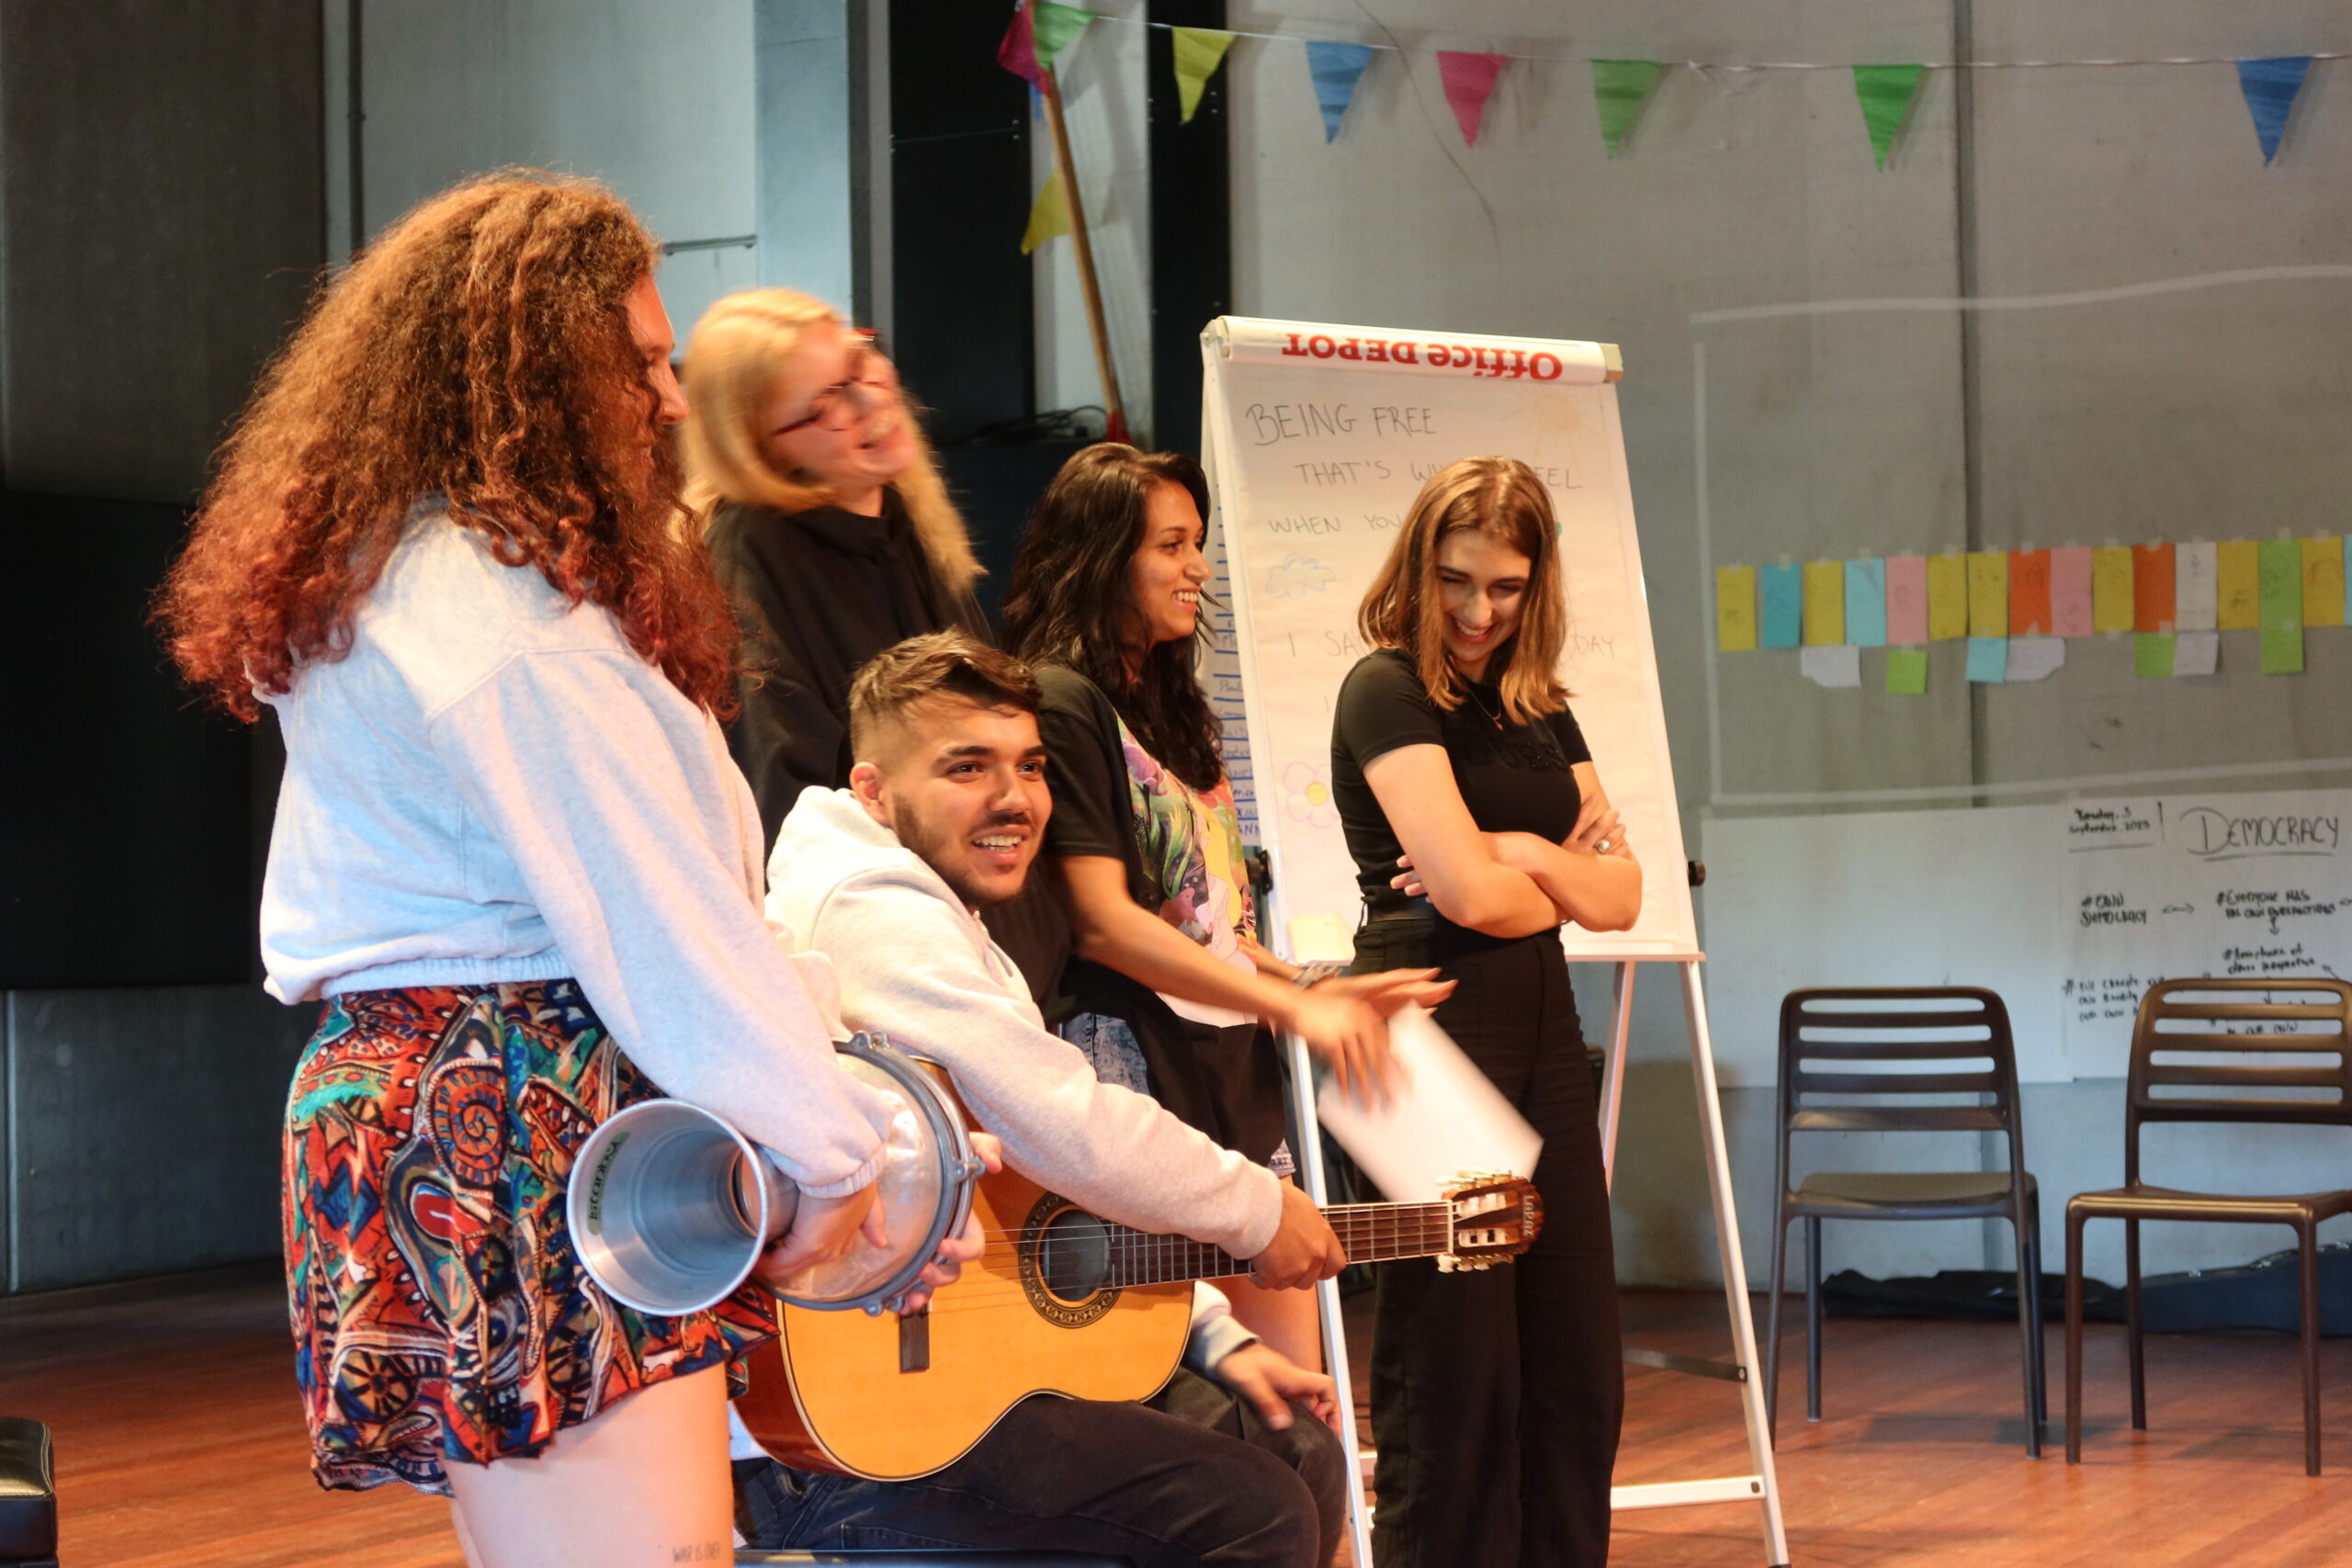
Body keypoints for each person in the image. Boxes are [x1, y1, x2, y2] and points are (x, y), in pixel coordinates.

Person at [153, 173, 967, 1568]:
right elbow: (661, 926)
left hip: (464, 1096)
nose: (666, 395)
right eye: (641, 362)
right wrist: (843, 1153)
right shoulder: (496, 610)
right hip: (514, 1105)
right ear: (535, 374)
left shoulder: (413, 567)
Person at [740, 630, 1348, 1567]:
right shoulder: (872, 908)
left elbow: (1028, 1197)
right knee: (1252, 1510)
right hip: (845, 1444)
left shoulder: (932, 909)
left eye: (1029, 765)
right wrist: (1260, 1209)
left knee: (1295, 1452)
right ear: (872, 790)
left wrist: (1213, 1336)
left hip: (935, 1386)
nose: (1014, 797)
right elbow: (1063, 1123)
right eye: (967, 767)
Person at [1002, 443, 1447, 1364]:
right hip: (1129, 1059)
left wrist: (1314, 989)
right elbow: (1103, 920)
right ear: (1101, 556)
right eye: (1171, 545)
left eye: (1197, 543)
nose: (1198, 569)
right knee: (1172, 1369)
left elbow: (1208, 924)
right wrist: (1289, 1005)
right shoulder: (1058, 698)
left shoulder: (1167, 702)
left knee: (1293, 1375)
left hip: (1228, 1062)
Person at [1329, 456, 1643, 1568]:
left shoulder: (1542, 708)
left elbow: (1623, 895)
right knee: (1454, 1375)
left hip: (1544, 1022)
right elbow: (1462, 898)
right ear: (1420, 566)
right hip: (1424, 1028)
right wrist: (1547, 867)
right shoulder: (1384, 688)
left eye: (1504, 588)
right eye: (1457, 581)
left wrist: (1514, 851)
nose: (1476, 611)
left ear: (1535, 585)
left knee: (1574, 1363)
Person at [682, 287, 1061, 996]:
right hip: (908, 975)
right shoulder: (754, 557)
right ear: (760, 446)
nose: (867, 403)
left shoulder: (901, 519)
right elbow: (790, 815)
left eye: (860, 364)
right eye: (825, 402)